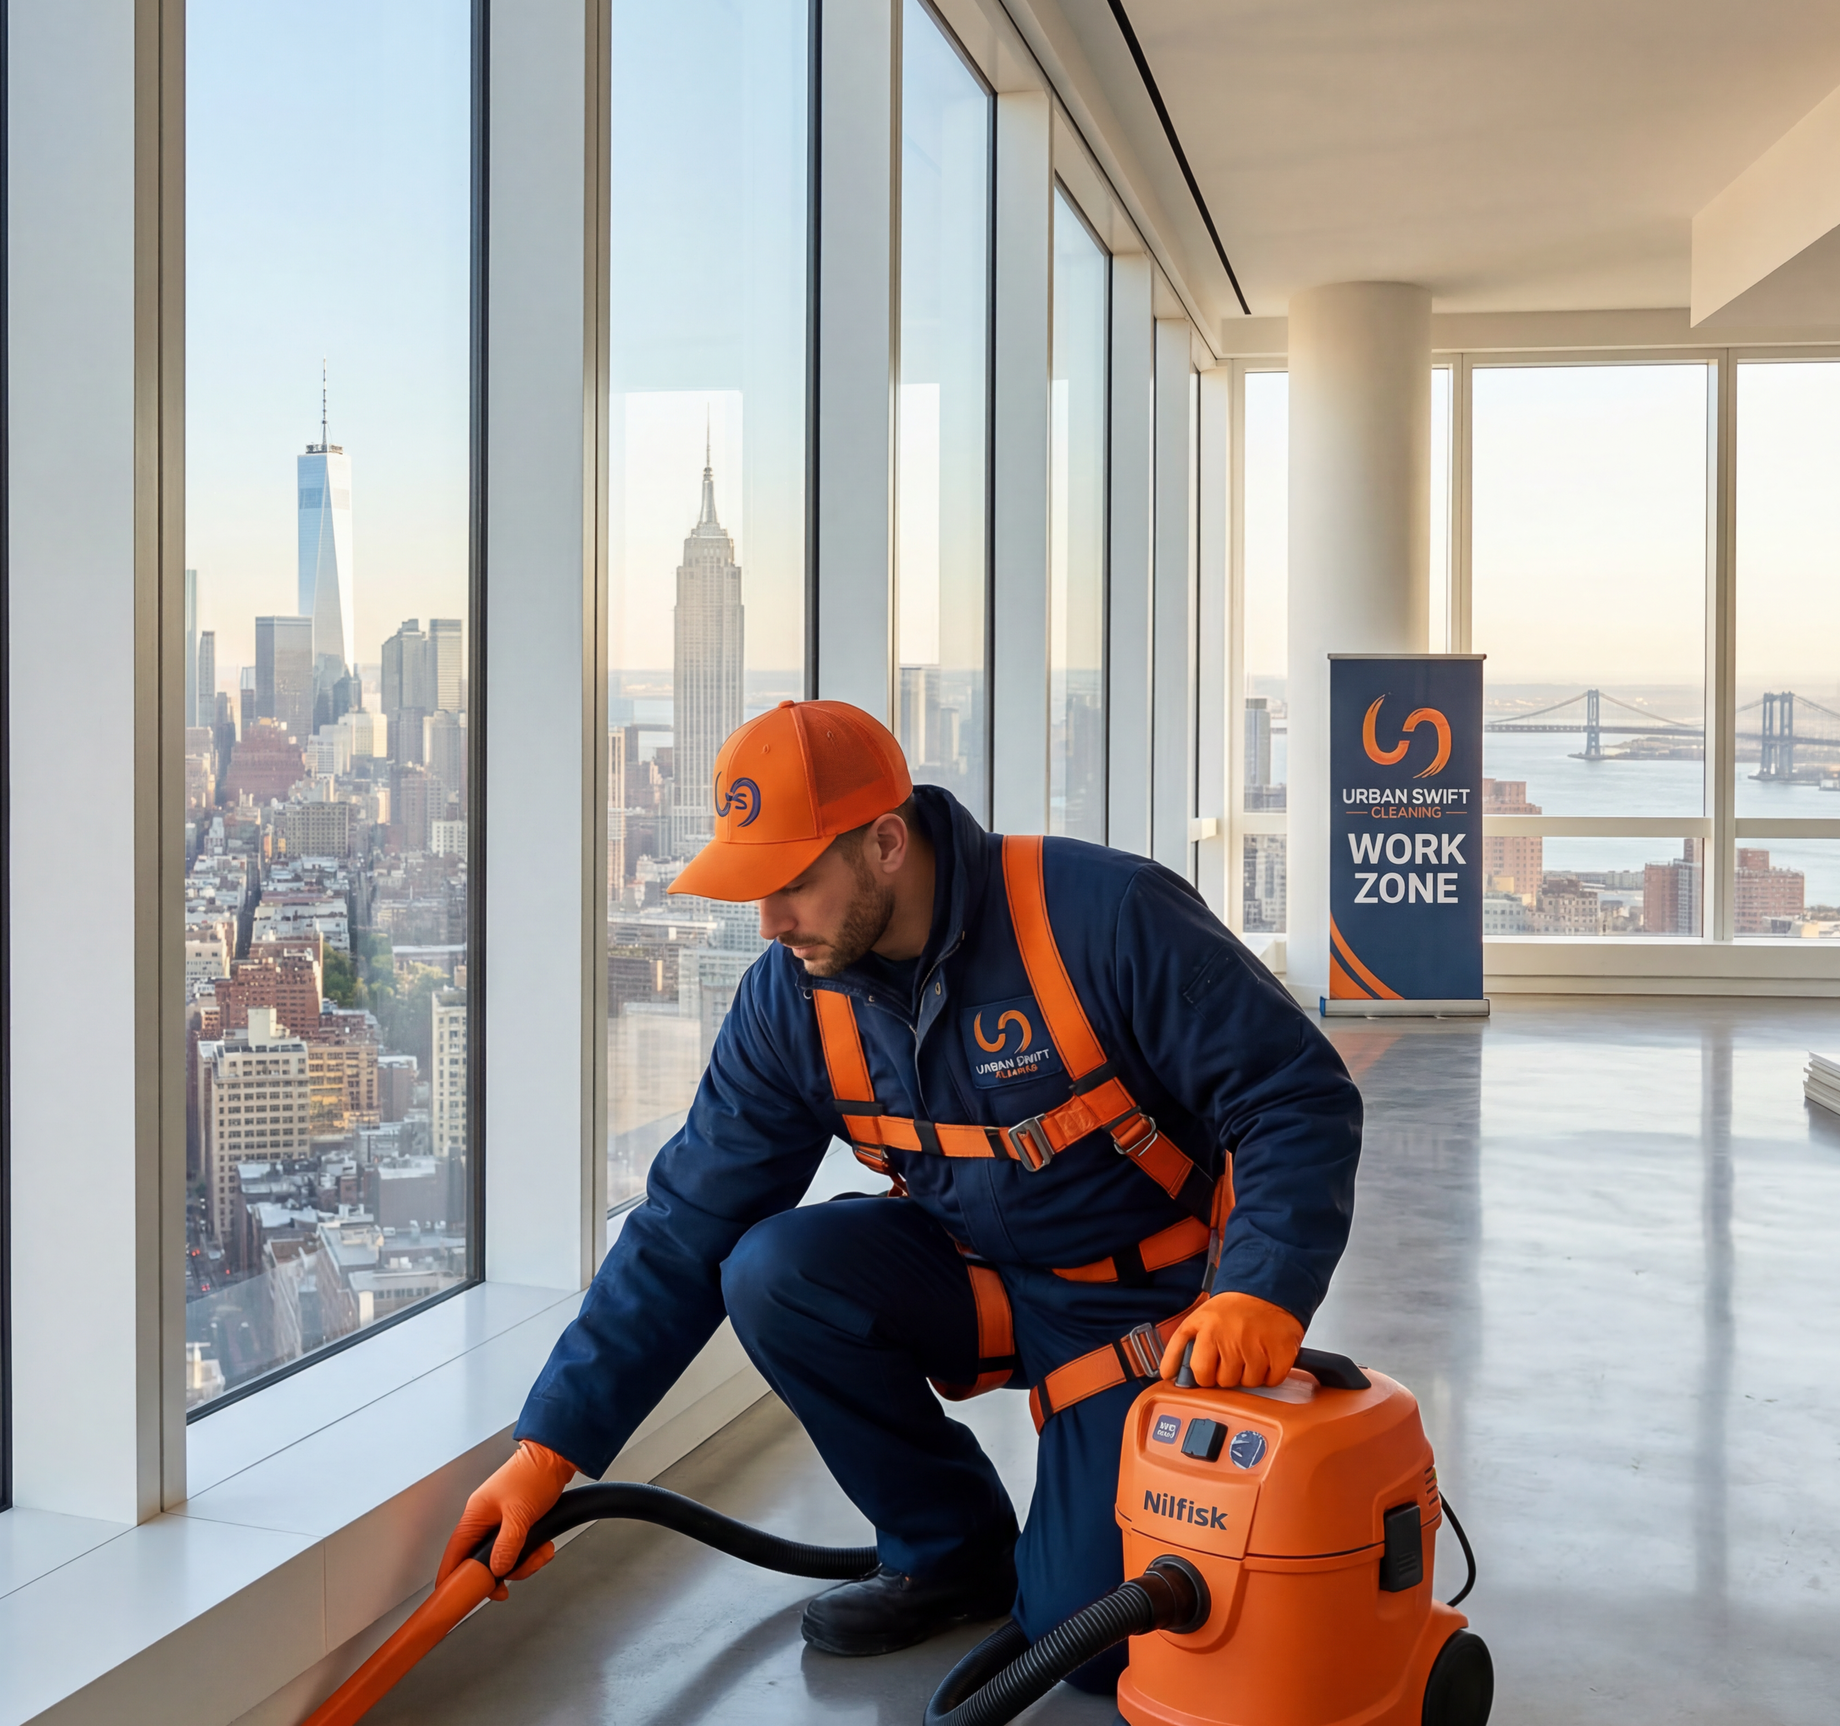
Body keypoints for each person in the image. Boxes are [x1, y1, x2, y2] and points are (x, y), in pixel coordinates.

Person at [442, 699, 1361, 1676]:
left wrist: (1259, 1290)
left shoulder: (1100, 917)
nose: (768, 920)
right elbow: (683, 1226)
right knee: (768, 1271)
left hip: (1137, 1309)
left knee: (1100, 1644)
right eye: (754, 888)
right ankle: (949, 1552)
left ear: (885, 842)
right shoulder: (791, 999)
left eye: (792, 882)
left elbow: (1292, 1095)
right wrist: (549, 1448)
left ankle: (1066, 1551)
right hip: (976, 1277)